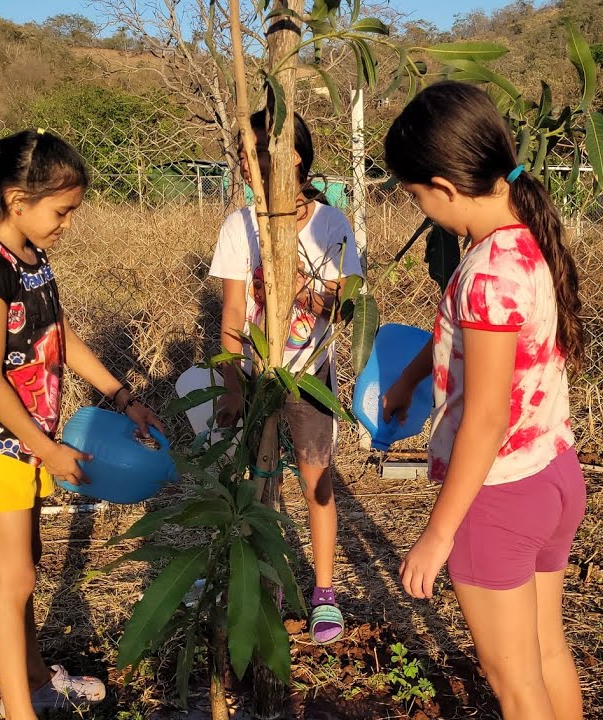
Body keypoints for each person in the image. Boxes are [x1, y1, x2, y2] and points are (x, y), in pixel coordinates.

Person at [380, 81, 588, 720]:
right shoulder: (524, 239)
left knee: (515, 683)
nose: (422, 209)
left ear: (443, 187)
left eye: (416, 196)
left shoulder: (486, 274)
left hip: (496, 497)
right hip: (553, 474)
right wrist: (415, 376)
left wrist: (437, 535)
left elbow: (488, 417)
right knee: (547, 654)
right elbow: (474, 347)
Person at [0, 129, 164, 718]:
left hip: (26, 439)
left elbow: (62, 343)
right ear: (18, 200)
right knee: (12, 580)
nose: (67, 225)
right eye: (62, 212)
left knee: (29, 566)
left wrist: (123, 397)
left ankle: (38, 677)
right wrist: (45, 448)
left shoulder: (33, 261)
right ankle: (19, 710)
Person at [208, 109, 364, 645]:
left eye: (256, 153)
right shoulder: (240, 226)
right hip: (257, 378)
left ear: (293, 156)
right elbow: (232, 315)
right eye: (242, 154)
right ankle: (267, 584)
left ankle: (324, 591)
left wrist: (305, 289)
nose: (246, 165)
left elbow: (348, 305)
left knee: (316, 476)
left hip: (310, 375)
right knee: (260, 482)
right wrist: (231, 386)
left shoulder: (331, 224)